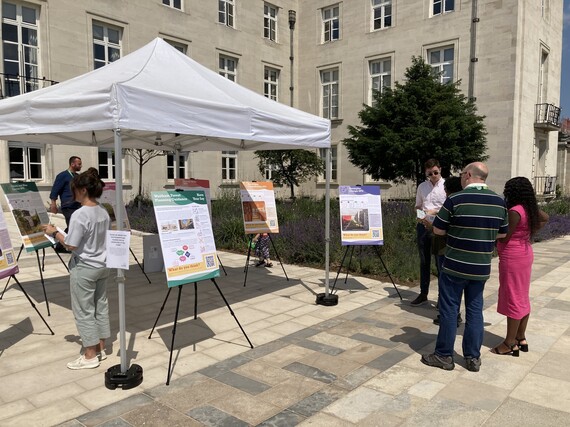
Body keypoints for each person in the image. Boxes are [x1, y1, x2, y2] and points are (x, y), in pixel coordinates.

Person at [421, 162, 508, 372]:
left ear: (468, 175)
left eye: (462, 174)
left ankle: (443, 355)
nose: (460, 177)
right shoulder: (499, 202)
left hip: (454, 265)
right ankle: (472, 357)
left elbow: (440, 231)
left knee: (450, 310)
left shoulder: (455, 199)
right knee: (475, 310)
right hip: (480, 266)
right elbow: (503, 234)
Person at [43, 168, 111, 370]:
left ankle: (90, 355)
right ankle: (100, 347)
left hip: (85, 267)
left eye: (74, 190)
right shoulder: (103, 210)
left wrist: (54, 232)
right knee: (100, 306)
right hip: (102, 265)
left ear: (82, 190)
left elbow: (71, 244)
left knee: (83, 311)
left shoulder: (80, 215)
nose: (72, 194)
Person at [491, 177, 549, 356]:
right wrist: (530, 232)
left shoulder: (514, 211)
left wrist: (491, 234)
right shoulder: (529, 209)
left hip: (512, 256)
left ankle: (509, 343)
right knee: (522, 296)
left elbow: (505, 236)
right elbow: (545, 217)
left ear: (513, 192)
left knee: (513, 297)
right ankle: (521, 337)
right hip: (524, 253)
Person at [425, 176, 464, 327]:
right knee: (454, 284)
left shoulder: (451, 203)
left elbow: (440, 229)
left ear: (447, 190)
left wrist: (430, 226)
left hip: (444, 249)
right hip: (457, 250)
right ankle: (453, 313)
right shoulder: (463, 203)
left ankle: (449, 316)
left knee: (446, 283)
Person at [411, 158, 447, 306]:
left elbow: (448, 208)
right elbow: (418, 206)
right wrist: (421, 218)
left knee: (441, 263)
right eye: (429, 173)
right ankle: (423, 293)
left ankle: (441, 297)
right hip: (424, 226)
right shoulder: (422, 186)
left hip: (439, 226)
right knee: (424, 261)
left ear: (440, 170)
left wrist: (435, 212)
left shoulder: (445, 186)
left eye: (435, 172)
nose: (433, 176)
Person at [49, 156, 82, 251]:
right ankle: (63, 246)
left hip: (77, 205)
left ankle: (61, 244)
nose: (81, 166)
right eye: (79, 164)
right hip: (68, 206)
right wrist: (53, 204)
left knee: (74, 226)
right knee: (72, 225)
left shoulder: (77, 177)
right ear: (72, 164)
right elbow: (55, 190)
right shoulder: (62, 176)